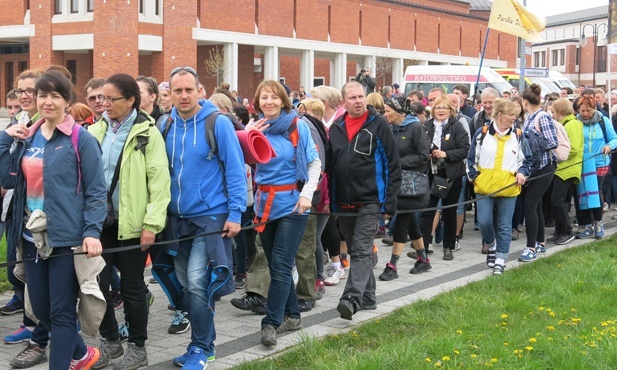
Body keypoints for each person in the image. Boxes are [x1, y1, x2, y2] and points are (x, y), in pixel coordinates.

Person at [0, 70, 106, 369]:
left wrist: (92, 231)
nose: (47, 102)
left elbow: (97, 191)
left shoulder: (80, 140)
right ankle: (82, 354)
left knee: (61, 314)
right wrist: (3, 138)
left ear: (67, 101)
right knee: (42, 312)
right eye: (42, 95)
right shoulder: (26, 137)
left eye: (55, 96)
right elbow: (5, 179)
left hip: (65, 238)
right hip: (31, 237)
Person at [162, 66, 246, 366]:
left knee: (198, 281)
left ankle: (200, 347)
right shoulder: (165, 125)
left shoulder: (217, 123)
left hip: (211, 216)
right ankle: (202, 344)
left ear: (201, 91)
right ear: (169, 94)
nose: (183, 96)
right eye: (177, 91)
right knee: (187, 283)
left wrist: (235, 213)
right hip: (176, 219)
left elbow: (236, 170)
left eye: (189, 89)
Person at [87, 73, 171, 370]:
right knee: (98, 283)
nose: (104, 103)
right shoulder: (96, 130)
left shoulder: (148, 133)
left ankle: (138, 346)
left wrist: (151, 224)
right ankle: (110, 341)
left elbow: (160, 183)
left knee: (133, 287)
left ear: (131, 100)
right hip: (101, 224)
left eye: (111, 99)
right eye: (100, 98)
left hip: (135, 225)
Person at [246, 79, 320, 346]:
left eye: (274, 97)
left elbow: (314, 163)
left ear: (284, 101)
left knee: (279, 265)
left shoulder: (297, 125)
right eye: (264, 97)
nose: (269, 102)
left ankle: (270, 323)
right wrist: (246, 134)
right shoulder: (253, 127)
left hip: (292, 205)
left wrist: (306, 194)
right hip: (263, 205)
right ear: (257, 102)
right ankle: (293, 314)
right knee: (277, 265)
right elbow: (241, 161)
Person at [328, 80, 401, 320]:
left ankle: (351, 298)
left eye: (361, 96)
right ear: (343, 102)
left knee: (360, 250)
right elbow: (332, 167)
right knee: (356, 248)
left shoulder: (378, 123)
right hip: (344, 202)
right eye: (353, 97)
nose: (358, 101)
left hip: (371, 201)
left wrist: (389, 202)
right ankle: (369, 297)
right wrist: (332, 201)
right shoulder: (337, 127)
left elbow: (393, 164)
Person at [467, 99, 530, 275]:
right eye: (512, 115)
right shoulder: (482, 133)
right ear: (500, 114)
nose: (514, 119)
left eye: (516, 116)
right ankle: (491, 245)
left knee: (504, 225)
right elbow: (471, 158)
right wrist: (475, 177)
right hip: (485, 187)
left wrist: (522, 173)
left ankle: (501, 260)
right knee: (484, 222)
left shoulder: (518, 134)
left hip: (509, 188)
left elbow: (527, 159)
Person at [378, 96, 430, 280]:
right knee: (410, 222)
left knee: (401, 221)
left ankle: (392, 266)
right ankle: (424, 260)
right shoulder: (390, 128)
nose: (385, 114)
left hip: (411, 186)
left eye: (388, 110)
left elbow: (423, 156)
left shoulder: (415, 127)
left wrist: (397, 163)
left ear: (400, 111)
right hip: (394, 184)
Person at [420, 97, 470, 261]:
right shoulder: (426, 126)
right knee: (428, 211)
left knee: (449, 212)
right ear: (432, 111)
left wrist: (446, 154)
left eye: (445, 108)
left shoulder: (457, 126)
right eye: (437, 108)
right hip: (431, 174)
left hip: (451, 175)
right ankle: (424, 246)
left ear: (451, 111)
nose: (440, 110)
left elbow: (464, 150)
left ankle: (448, 246)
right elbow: (419, 147)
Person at [517, 84, 559, 263]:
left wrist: (533, 140)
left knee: (529, 205)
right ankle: (541, 242)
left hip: (545, 167)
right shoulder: (528, 118)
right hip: (533, 168)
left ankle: (531, 247)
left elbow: (552, 142)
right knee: (537, 205)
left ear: (525, 102)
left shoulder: (542, 117)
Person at [574, 95, 617, 239]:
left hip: (600, 162)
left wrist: (608, 146)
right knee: (583, 192)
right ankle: (587, 225)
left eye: (588, 110)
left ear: (594, 108)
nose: (585, 114)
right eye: (582, 110)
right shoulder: (576, 122)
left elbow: (614, 138)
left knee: (594, 191)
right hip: (582, 162)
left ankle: (598, 222)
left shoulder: (603, 121)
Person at [545, 98, 583, 245]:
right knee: (556, 200)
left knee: (557, 200)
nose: (553, 115)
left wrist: (555, 155)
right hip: (561, 168)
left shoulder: (572, 124)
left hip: (568, 168)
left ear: (560, 111)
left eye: (554, 112)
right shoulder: (564, 124)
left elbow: (572, 149)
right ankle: (559, 230)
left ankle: (567, 231)